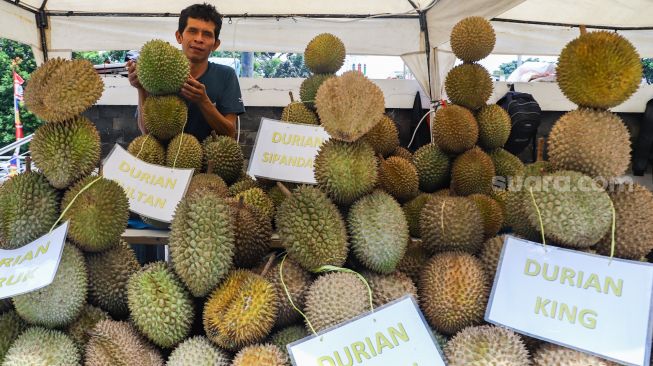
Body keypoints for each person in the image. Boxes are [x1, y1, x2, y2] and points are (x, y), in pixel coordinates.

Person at [127, 3, 245, 141]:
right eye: (192, 31)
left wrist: (203, 101)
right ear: (179, 36)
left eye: (207, 34)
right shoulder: (159, 74)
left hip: (208, 161)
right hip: (162, 162)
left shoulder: (226, 75)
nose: (199, 39)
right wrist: (141, 88)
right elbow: (146, 133)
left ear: (215, 44)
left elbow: (231, 133)